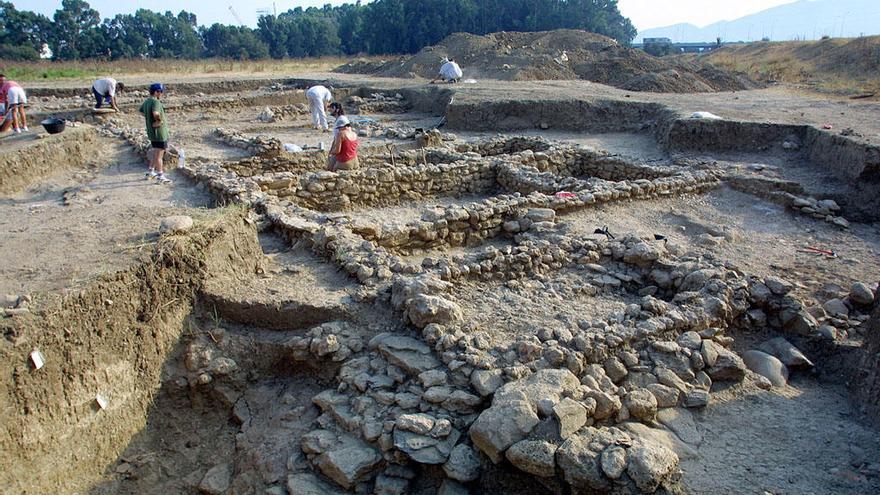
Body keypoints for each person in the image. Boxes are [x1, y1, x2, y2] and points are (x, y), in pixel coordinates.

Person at [139, 83, 172, 184]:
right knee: (159, 156)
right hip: (159, 133)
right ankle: (161, 176)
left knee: (155, 152)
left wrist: (149, 119)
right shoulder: (156, 102)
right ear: (156, 92)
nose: (162, 94)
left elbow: (141, 112)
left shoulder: (147, 102)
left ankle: (151, 172)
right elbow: (156, 114)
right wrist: (158, 121)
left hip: (152, 133)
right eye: (161, 92)